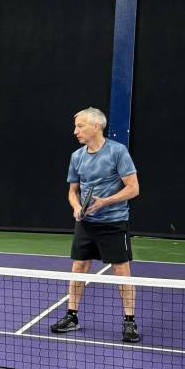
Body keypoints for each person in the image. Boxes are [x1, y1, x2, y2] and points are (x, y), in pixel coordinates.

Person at [50, 107, 141, 343]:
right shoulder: (77, 156)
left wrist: (104, 202)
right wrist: (76, 207)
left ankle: (129, 321)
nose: (75, 131)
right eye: (76, 126)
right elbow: (72, 191)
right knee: (78, 267)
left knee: (121, 271)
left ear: (96, 127)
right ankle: (72, 316)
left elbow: (133, 188)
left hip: (114, 222)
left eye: (80, 126)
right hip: (86, 223)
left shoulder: (117, 152)